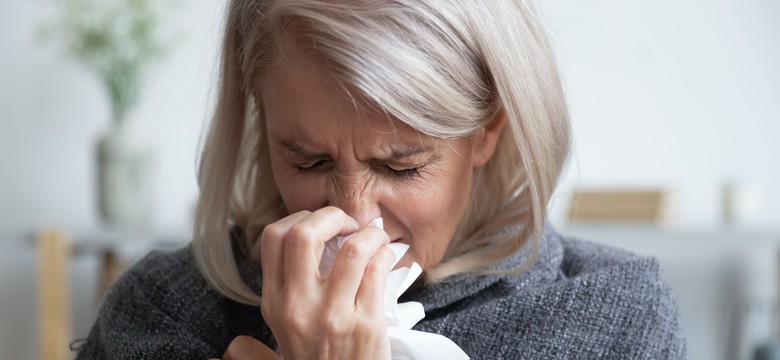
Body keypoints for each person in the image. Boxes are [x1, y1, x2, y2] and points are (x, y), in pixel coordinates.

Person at [74, 0, 687, 359]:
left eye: (402, 166)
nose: (355, 214)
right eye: (308, 161)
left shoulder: (613, 318)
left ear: (488, 130)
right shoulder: (167, 310)